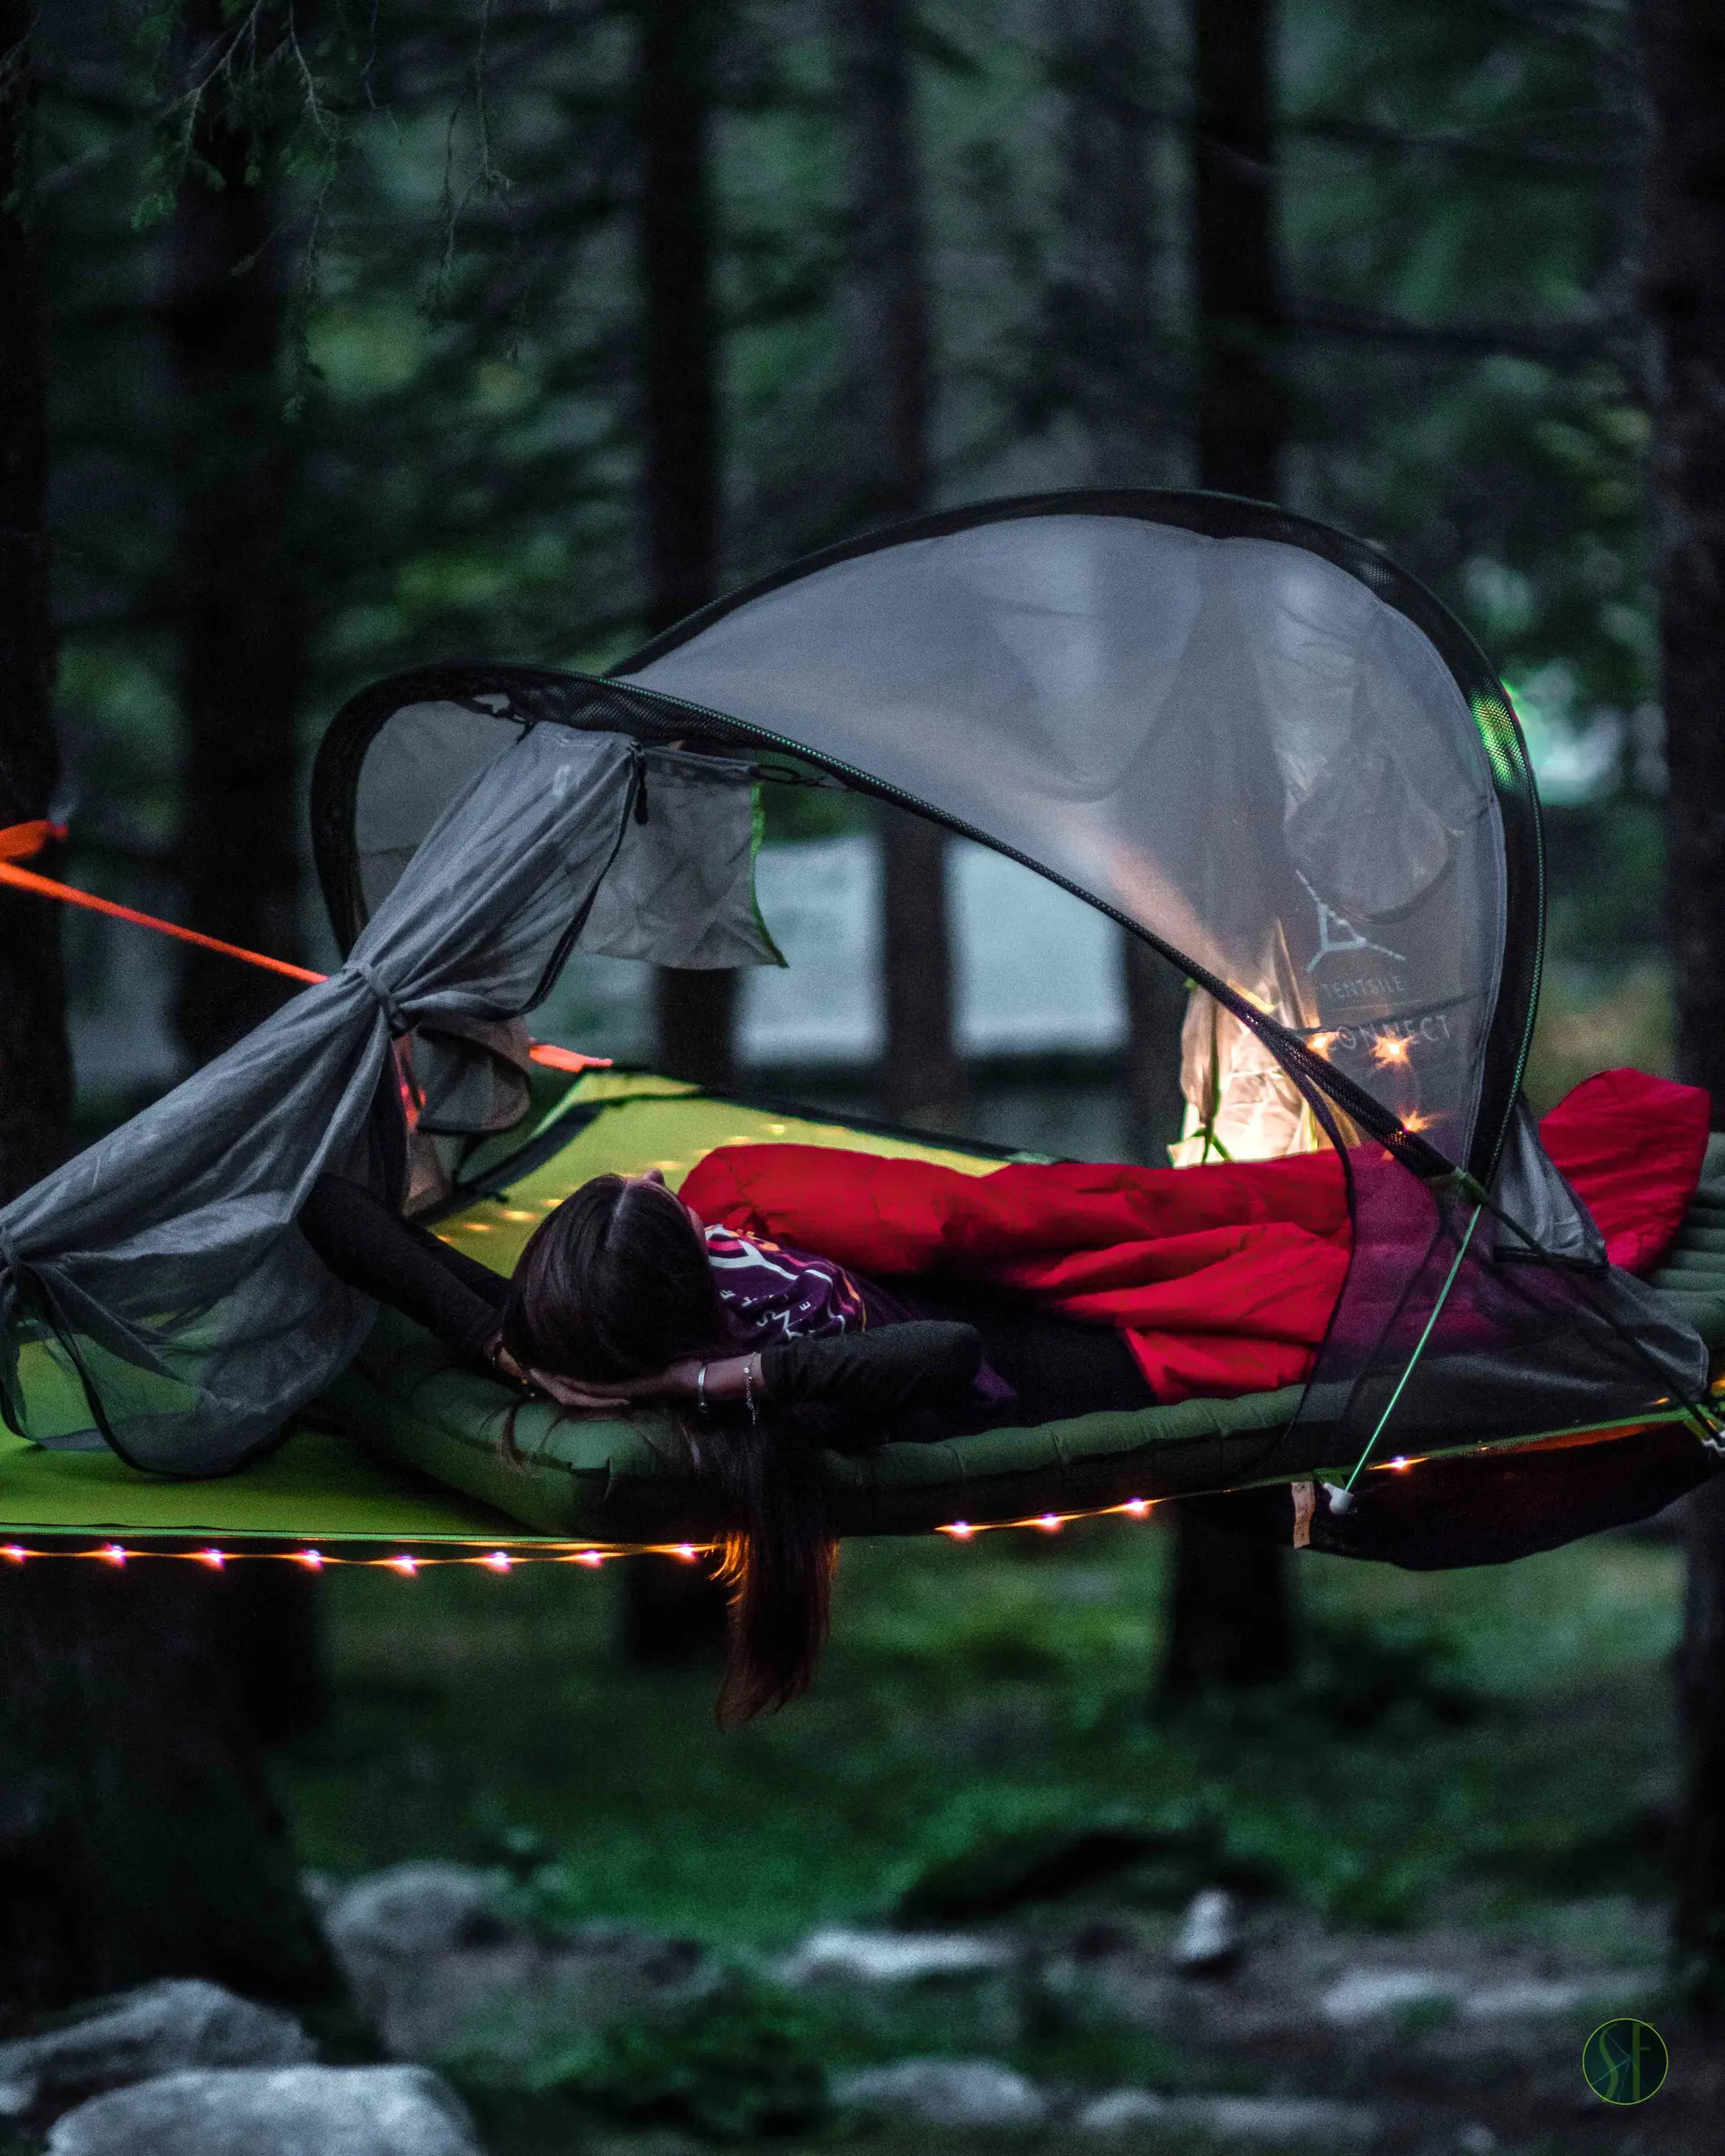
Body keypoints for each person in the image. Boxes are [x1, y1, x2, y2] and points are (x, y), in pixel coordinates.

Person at [299, 1151, 1155, 1727]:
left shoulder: (593, 1337)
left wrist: (502, 1346)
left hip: (965, 1284)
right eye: (663, 1200)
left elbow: (333, 1206)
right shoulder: (789, 1390)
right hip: (1069, 1352)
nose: (657, 1170)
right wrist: (699, 1381)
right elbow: (951, 1352)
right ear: (687, 1283)